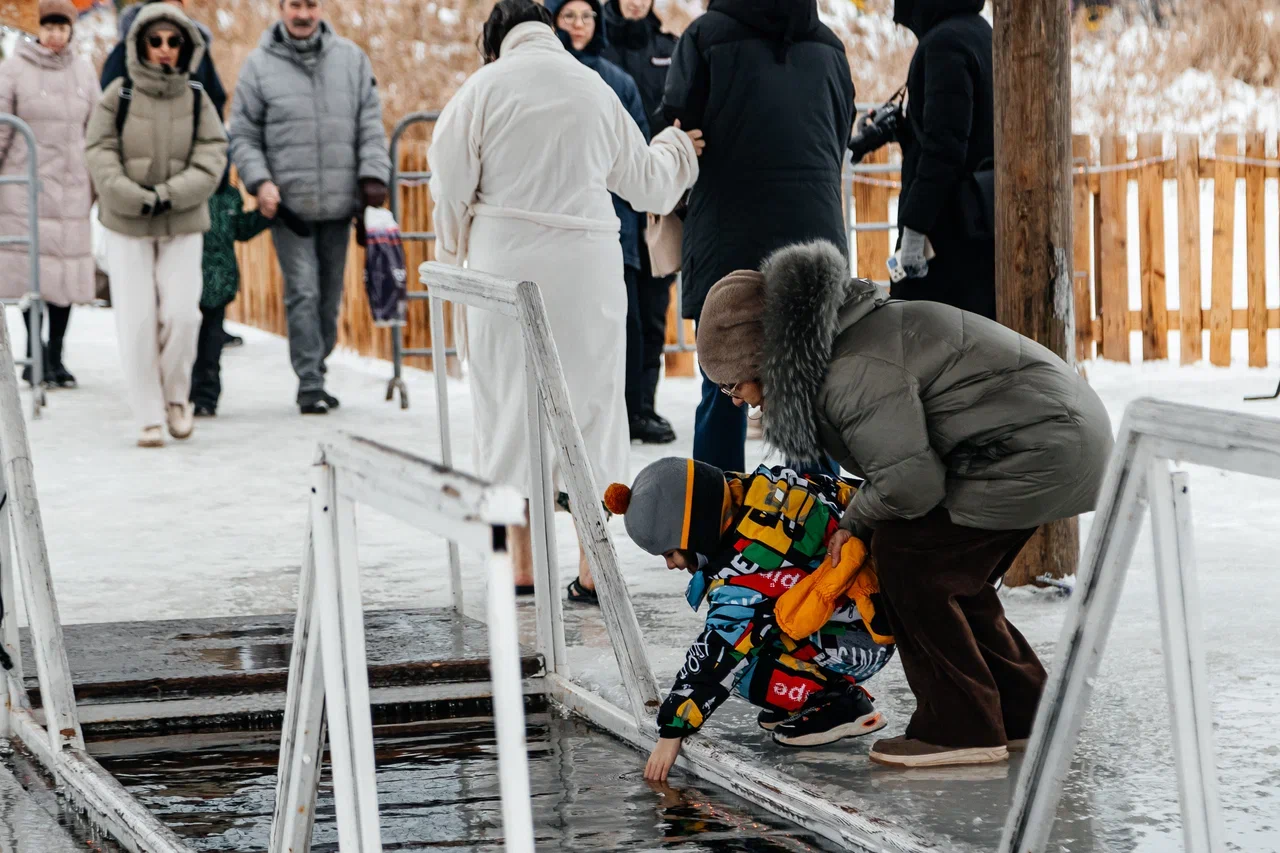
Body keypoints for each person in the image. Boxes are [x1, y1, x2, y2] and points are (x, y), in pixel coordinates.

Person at [696, 240, 1114, 768]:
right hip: (1041, 441)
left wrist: (856, 523)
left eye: (733, 383)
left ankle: (959, 729)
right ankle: (1023, 712)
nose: (734, 400)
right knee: (950, 573)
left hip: (1041, 448)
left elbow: (910, 486)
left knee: (909, 558)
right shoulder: (841, 341)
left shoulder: (850, 371)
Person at [428, 0, 700, 599]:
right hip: (589, 269)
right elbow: (647, 182)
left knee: (507, 408)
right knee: (593, 408)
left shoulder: (482, 89)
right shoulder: (593, 88)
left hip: (505, 268)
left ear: (494, 41)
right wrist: (680, 149)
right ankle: (593, 567)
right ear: (551, 33)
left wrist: (451, 256)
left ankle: (521, 569)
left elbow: (448, 183)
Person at [604, 458, 895, 782]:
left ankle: (839, 702)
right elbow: (848, 491)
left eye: (670, 553)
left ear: (692, 531)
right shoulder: (765, 491)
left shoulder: (748, 568)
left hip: (858, 641)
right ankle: (807, 693)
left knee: (744, 669)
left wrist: (672, 731)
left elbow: (718, 652)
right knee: (754, 639)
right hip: (878, 613)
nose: (671, 565)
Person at [662, 0, 855, 475]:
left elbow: (676, 128)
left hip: (730, 234)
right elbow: (841, 129)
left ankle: (715, 522)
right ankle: (816, 522)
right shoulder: (829, 45)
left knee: (724, 385)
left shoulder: (706, 37)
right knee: (805, 382)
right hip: (814, 237)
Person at [229, 0, 391, 415]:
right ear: (282, 9)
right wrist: (260, 181)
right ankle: (310, 382)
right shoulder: (258, 65)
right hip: (289, 207)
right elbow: (243, 134)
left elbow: (371, 124)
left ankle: (316, 365)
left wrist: (373, 177)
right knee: (302, 291)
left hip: (340, 204)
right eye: (294, 5)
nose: (303, 14)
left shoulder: (351, 60)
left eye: (310, 5)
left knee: (329, 298)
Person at [85, 4, 227, 447]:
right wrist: (131, 194)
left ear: (186, 47)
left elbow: (212, 155)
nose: (165, 49)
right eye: (156, 40)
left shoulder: (199, 97)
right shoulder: (119, 93)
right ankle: (148, 414)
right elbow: (98, 148)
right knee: (138, 320)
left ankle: (176, 399)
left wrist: (169, 194)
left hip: (182, 220)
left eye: (173, 41)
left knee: (184, 315)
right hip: (127, 223)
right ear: (140, 44)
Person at [545, 0, 671, 446]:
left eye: (585, 16)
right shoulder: (543, 76)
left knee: (637, 321)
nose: (578, 25)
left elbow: (633, 145)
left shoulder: (633, 69)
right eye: (568, 16)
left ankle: (636, 408)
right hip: (561, 220)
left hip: (627, 214)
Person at [0, 0, 100, 389]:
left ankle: (57, 355)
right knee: (32, 276)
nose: (56, 34)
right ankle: (35, 352)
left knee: (66, 278)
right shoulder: (14, 68)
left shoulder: (83, 71)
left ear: (71, 31)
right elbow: (3, 128)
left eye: (63, 27)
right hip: (26, 187)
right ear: (39, 29)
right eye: (49, 27)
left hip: (72, 188)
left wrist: (95, 180)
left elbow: (95, 128)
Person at [602, 0, 679, 443]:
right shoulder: (595, 45)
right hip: (611, 200)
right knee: (616, 313)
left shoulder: (669, 47)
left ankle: (642, 407)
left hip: (656, 201)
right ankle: (612, 406)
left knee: (652, 313)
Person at [889, 0, 996, 319]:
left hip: (945, 234)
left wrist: (914, 228)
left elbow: (944, 149)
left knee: (916, 332)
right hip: (979, 223)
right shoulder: (983, 34)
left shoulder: (944, 44)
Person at [189, 183, 273, 418]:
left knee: (211, 345)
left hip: (219, 282)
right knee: (183, 341)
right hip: (185, 277)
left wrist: (263, 216)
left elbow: (240, 229)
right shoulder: (188, 190)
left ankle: (205, 398)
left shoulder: (229, 195)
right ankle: (177, 393)